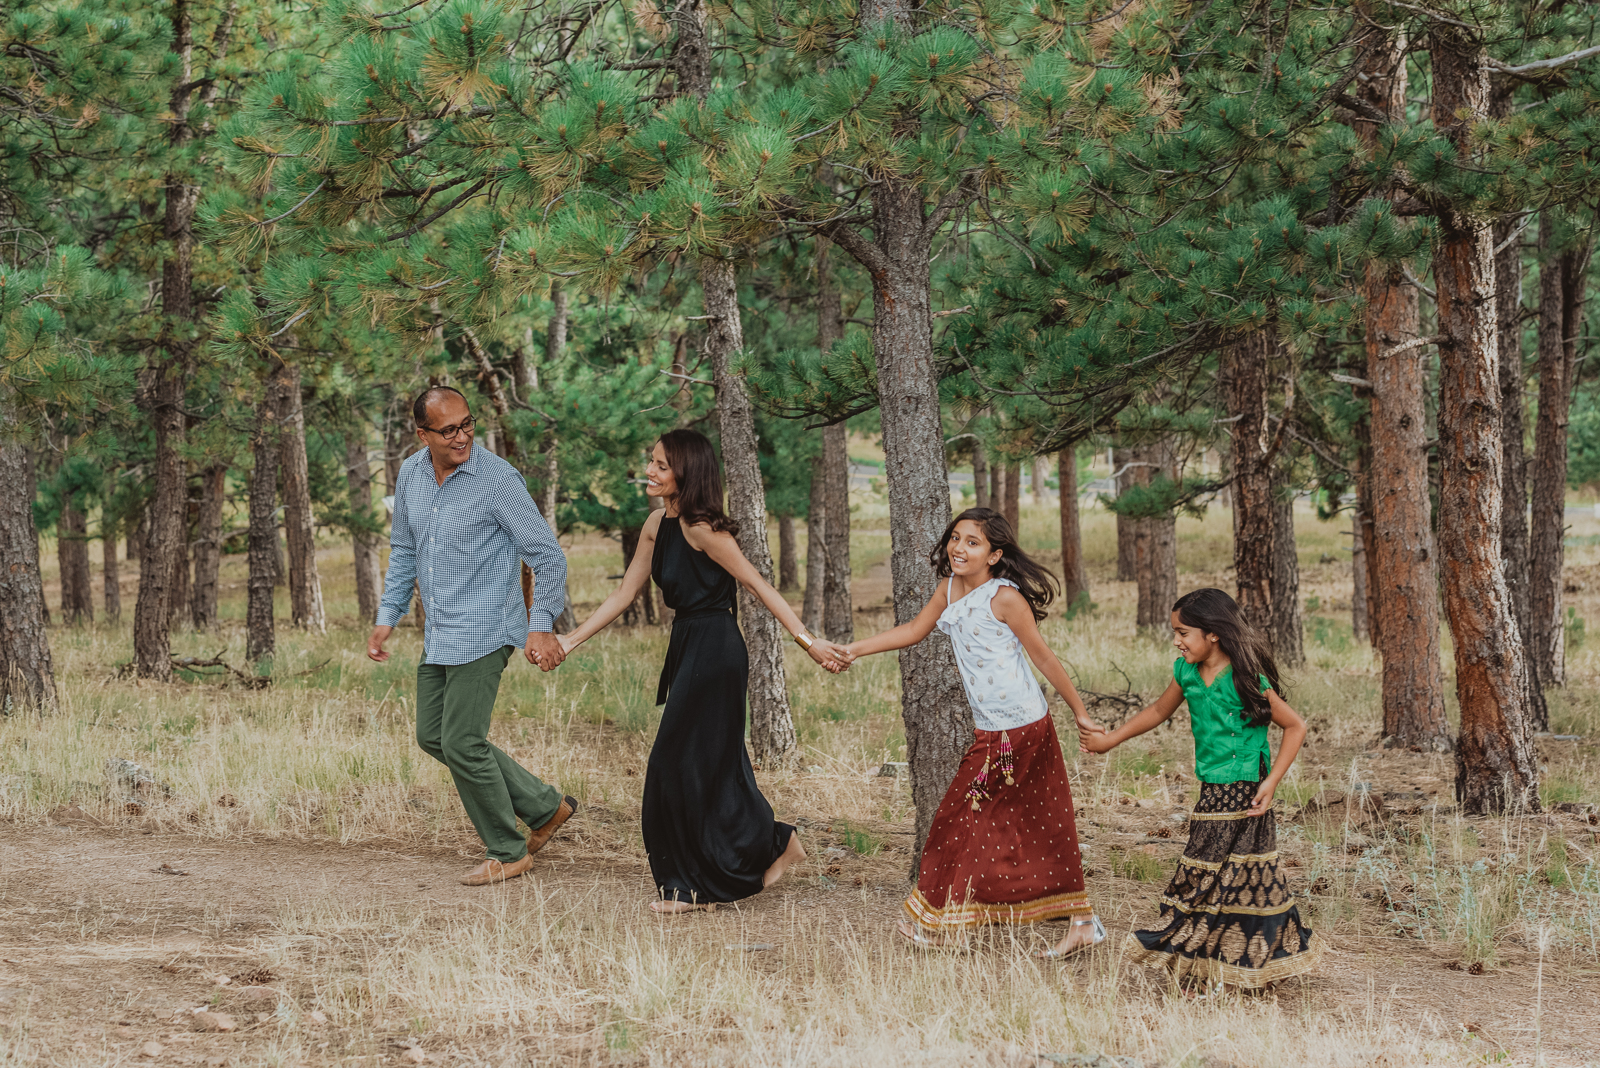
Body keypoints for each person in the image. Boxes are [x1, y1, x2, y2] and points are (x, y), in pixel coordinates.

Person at [558, 430, 850, 913]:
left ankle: (699, 882)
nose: (650, 471)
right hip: (689, 645)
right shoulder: (657, 524)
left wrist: (809, 642)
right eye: (650, 462)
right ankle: (772, 846)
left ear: (685, 473)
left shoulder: (702, 528)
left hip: (716, 649)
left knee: (674, 767)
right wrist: (570, 640)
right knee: (708, 766)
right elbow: (622, 595)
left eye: (660, 466)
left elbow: (758, 585)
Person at [840, 507, 1106, 954]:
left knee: (965, 817)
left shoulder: (1004, 598)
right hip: (993, 730)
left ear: (995, 555)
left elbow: (1042, 657)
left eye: (973, 542)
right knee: (1026, 822)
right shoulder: (948, 589)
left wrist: (1079, 711)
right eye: (956, 538)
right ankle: (1080, 920)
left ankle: (939, 918)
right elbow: (912, 630)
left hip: (1020, 730)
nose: (960, 548)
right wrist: (853, 649)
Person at [367, 386, 577, 887]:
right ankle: (545, 807)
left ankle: (507, 849)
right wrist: (387, 614)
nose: (462, 436)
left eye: (467, 424)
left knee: (461, 740)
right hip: (440, 628)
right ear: (423, 435)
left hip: (486, 626)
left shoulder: (497, 479)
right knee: (433, 736)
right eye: (448, 429)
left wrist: (541, 625)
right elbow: (404, 549)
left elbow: (547, 555)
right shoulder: (413, 474)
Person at [1080, 587, 1320, 989]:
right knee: (1214, 872)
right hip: (1211, 789)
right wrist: (1110, 740)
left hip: (1247, 792)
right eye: (1175, 632)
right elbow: (1158, 710)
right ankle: (1213, 959)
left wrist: (1272, 782)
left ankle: (1235, 957)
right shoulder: (1186, 673)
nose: (1177, 640)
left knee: (1234, 873)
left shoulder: (1246, 680)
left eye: (1183, 632)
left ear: (1214, 634)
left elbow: (1295, 726)